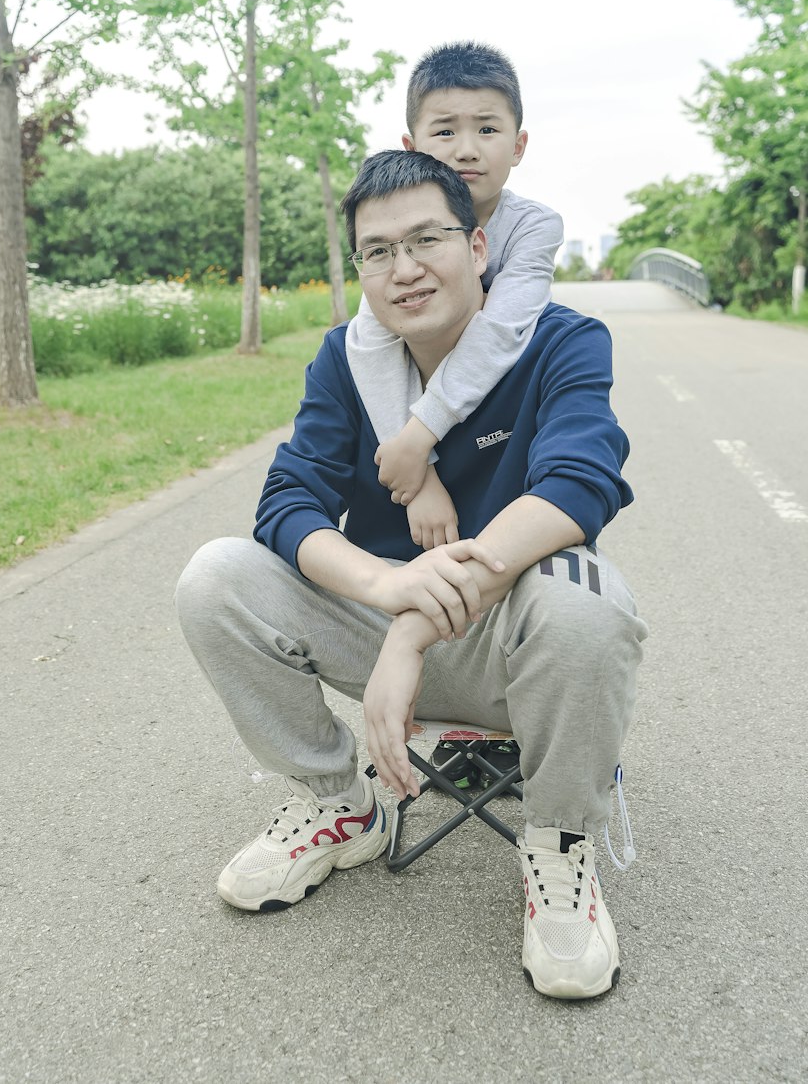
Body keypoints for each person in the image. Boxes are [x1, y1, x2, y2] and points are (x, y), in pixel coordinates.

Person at [175, 150, 647, 1000]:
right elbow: (287, 501)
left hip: (516, 643)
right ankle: (336, 803)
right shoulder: (347, 361)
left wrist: (413, 628)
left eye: (426, 239)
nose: (404, 268)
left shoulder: (562, 340)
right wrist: (389, 589)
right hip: (389, 615)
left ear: (476, 246)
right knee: (217, 576)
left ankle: (562, 844)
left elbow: (582, 482)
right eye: (378, 251)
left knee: (589, 599)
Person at [345, 41, 563, 552]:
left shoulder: (532, 227)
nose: (466, 149)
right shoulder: (395, 235)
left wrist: (419, 440)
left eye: (487, 129)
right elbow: (371, 342)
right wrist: (420, 477)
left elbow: (501, 329)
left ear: (518, 145)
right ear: (410, 144)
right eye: (444, 131)